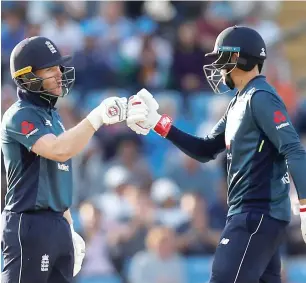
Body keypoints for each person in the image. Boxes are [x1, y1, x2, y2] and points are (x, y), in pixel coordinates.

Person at [126, 26, 306, 283]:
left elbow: (294, 150)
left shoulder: (260, 97)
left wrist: (305, 207)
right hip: (256, 217)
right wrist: (159, 123)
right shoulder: (239, 101)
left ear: (237, 58)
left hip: (255, 215)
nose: (218, 68)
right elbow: (206, 149)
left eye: (222, 59)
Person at [0, 36, 140, 283]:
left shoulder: (52, 116)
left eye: (58, 67)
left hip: (56, 223)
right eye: (50, 69)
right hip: (29, 224)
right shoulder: (19, 115)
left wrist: (67, 225)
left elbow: (58, 173)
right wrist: (96, 118)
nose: (59, 73)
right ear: (28, 76)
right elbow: (58, 150)